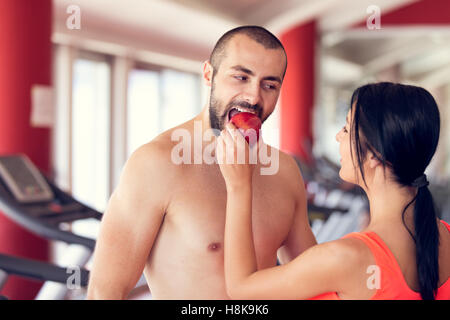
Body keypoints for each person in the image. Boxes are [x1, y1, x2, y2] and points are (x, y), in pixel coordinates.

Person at [86, 26, 317, 299]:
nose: (254, 97)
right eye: (241, 77)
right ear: (209, 74)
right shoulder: (156, 164)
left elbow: (311, 279)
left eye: (269, 85)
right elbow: (106, 290)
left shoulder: (284, 171)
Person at [217, 82, 450, 300]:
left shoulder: (347, 257)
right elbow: (316, 275)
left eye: (347, 128)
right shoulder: (446, 235)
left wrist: (239, 185)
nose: (339, 136)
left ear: (375, 155)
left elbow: (241, 289)